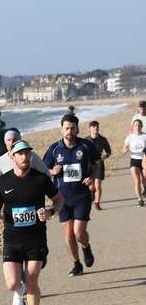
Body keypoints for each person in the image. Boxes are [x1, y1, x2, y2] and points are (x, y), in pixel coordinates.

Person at [0, 141, 63, 305]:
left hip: (35, 238)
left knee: (32, 279)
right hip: (12, 239)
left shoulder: (40, 179)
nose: (25, 157)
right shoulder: (4, 182)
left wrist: (51, 211)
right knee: (12, 283)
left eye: (27, 154)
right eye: (20, 154)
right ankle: (17, 291)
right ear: (12, 157)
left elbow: (58, 199)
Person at [43, 114, 100, 276]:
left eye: (72, 128)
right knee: (68, 234)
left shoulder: (86, 146)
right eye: (66, 128)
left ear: (77, 129)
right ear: (61, 129)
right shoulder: (54, 149)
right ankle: (76, 264)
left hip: (82, 196)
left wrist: (92, 177)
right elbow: (43, 169)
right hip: (62, 198)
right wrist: (52, 171)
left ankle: (86, 247)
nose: (69, 131)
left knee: (79, 233)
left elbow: (96, 164)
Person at [0, 128, 49, 195]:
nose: (11, 143)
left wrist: (41, 190)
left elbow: (46, 173)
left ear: (19, 141)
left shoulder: (31, 156)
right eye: (8, 140)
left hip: (32, 196)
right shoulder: (0, 161)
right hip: (11, 198)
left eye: (14, 140)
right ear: (5, 143)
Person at [87, 121, 112, 210]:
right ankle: (92, 192)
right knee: (91, 186)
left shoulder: (102, 139)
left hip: (99, 163)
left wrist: (105, 156)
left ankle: (97, 203)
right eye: (93, 127)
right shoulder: (86, 140)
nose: (96, 128)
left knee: (98, 185)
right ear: (90, 128)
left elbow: (109, 151)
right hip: (89, 165)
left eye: (97, 127)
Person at [121, 118, 146, 206]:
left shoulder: (145, 136)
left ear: (142, 126)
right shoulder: (129, 137)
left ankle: (145, 189)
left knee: (144, 179)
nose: (137, 127)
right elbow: (123, 149)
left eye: (139, 125)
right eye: (136, 125)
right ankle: (140, 199)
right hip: (134, 160)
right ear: (133, 127)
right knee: (137, 180)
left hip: (144, 160)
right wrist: (125, 150)